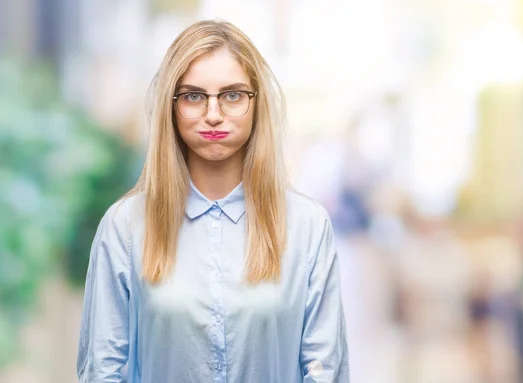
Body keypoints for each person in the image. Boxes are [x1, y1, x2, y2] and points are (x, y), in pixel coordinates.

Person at [76, 20, 349, 383]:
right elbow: (102, 369)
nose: (214, 114)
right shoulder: (125, 226)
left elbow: (325, 368)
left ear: (256, 103)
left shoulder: (307, 225)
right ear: (171, 106)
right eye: (193, 96)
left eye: (233, 95)